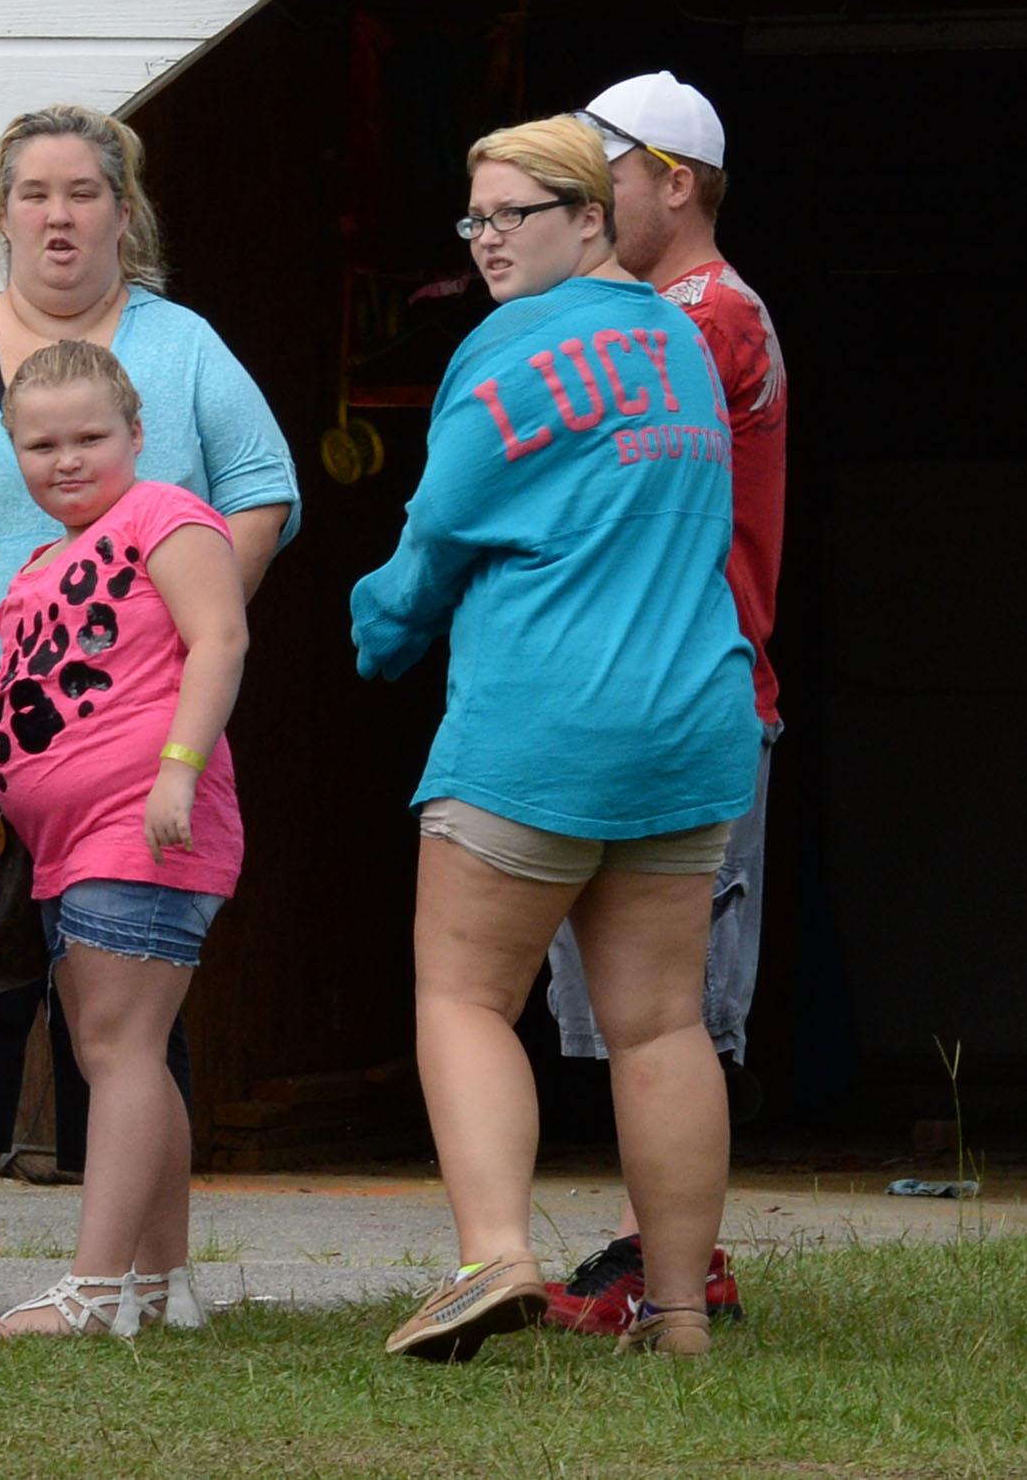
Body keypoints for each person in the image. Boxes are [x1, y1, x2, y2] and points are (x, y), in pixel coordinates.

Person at [0, 105, 299, 1324]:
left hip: (135, 744)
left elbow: (259, 493)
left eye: (83, 192)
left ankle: (145, 1278)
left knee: (130, 1012)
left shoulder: (182, 348)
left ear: (121, 211)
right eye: (32, 193)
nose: (57, 215)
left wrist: (170, 627)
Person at [350, 115, 759, 1361]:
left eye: (509, 215)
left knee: (463, 998)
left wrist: (371, 630)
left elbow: (432, 543)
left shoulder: (505, 353)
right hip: (691, 724)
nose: (481, 242)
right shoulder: (678, 347)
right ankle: (679, 1314)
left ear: (590, 218)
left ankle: (494, 1261)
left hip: (538, 727)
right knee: (660, 1026)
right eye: (470, 219)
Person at [0, 340, 247, 1336]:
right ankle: (159, 1285)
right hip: (64, 850)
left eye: (89, 438)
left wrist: (178, 770)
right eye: (40, 444)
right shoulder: (36, 570)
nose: (66, 460)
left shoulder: (165, 518)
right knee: (124, 1051)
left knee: (115, 1049)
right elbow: (30, 713)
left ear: (137, 436)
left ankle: (95, 1291)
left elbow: (220, 638)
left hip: (143, 823)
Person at [544, 72, 787, 1335]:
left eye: (605, 183)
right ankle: (658, 1256)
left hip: (692, 694)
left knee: (675, 1003)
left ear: (672, 181)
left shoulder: (708, 317)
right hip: (648, 693)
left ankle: (684, 1267)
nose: (585, 211)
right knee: (636, 1000)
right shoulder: (660, 312)